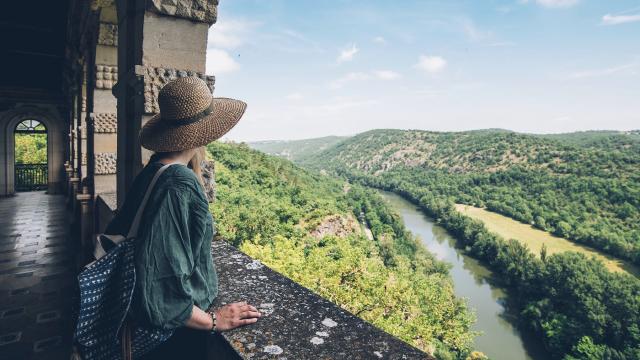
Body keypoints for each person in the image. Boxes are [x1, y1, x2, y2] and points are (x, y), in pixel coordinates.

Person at [103, 77, 261, 359]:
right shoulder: (178, 181)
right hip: (172, 338)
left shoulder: (153, 170)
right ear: (203, 132)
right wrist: (214, 321)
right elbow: (162, 280)